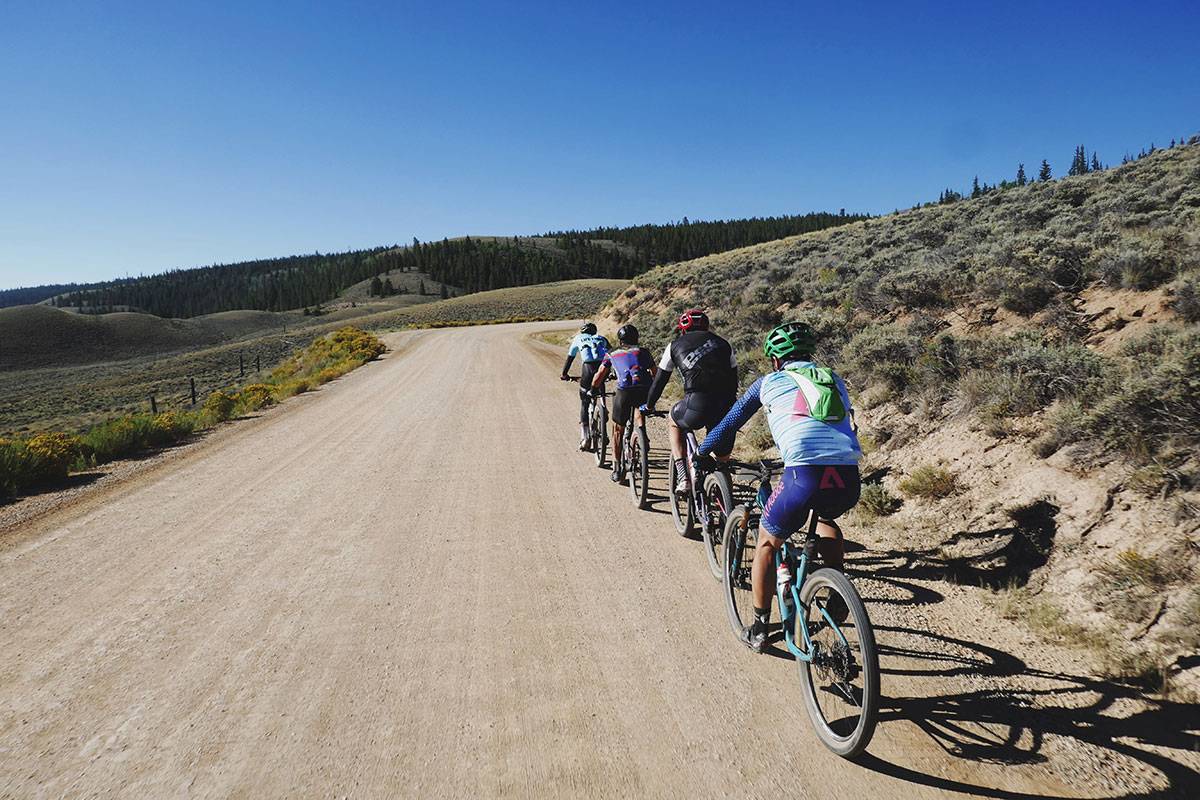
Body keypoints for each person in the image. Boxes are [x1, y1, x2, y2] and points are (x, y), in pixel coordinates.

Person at [693, 322, 862, 653]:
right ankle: (838, 592)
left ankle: (758, 627)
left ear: (774, 360)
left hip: (804, 475)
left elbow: (729, 422)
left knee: (768, 543)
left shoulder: (768, 382)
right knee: (826, 520)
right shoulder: (833, 378)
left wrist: (701, 454)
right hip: (847, 474)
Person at [641, 309, 737, 494]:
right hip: (725, 405)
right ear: (707, 326)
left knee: (673, 420)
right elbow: (734, 380)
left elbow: (660, 381)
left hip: (696, 404)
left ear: (683, 329)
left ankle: (683, 476)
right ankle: (725, 500)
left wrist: (650, 405)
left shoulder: (674, 345)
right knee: (722, 460)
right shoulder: (724, 343)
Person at [591, 324, 656, 482]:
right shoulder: (643, 351)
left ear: (620, 340)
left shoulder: (611, 354)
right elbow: (655, 372)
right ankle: (642, 436)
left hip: (624, 391)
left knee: (617, 430)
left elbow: (600, 374)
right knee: (639, 412)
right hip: (644, 389)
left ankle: (617, 467)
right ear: (636, 338)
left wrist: (593, 388)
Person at [560, 322, 610, 450]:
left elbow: (570, 357)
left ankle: (585, 437)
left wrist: (564, 374)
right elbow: (612, 354)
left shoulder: (578, 338)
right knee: (600, 391)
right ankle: (604, 421)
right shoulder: (602, 338)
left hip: (587, 369)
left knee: (584, 402)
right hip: (602, 368)